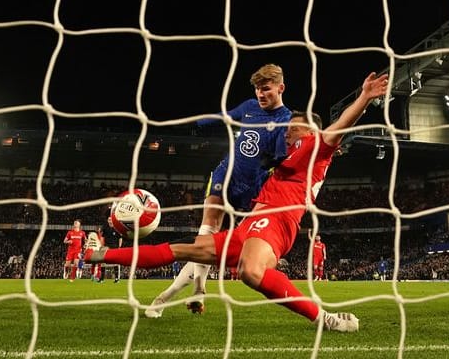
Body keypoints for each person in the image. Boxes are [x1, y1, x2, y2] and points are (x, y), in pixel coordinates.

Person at [86, 71, 389, 331]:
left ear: (309, 129)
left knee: (250, 271)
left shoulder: (314, 147)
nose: (284, 134)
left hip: (277, 221)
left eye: (290, 129)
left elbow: (339, 128)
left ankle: (326, 319)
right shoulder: (286, 158)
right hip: (250, 226)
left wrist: (364, 98)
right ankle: (100, 256)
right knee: (181, 249)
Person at [144, 63, 291, 318]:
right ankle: (184, 293)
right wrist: (198, 122)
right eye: (257, 89)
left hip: (252, 187)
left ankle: (184, 292)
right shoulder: (249, 107)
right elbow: (225, 116)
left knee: (211, 246)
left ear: (281, 88)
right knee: (207, 231)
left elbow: (279, 159)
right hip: (226, 172)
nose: (260, 94)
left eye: (266, 89)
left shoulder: (285, 120)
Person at [99, 216, 123, 283]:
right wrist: (101, 245)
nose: (110, 221)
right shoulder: (105, 228)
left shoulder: (117, 228)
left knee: (115, 263)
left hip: (115, 247)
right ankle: (102, 279)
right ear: (107, 221)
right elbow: (102, 237)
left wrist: (119, 246)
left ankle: (116, 278)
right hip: (106, 247)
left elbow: (120, 238)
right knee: (103, 262)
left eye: (111, 219)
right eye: (109, 219)